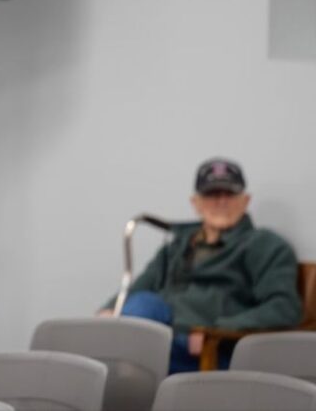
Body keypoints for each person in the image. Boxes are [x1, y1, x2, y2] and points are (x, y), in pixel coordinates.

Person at [103, 157, 302, 373]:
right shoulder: (178, 245)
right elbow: (142, 285)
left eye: (229, 194)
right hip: (161, 336)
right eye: (212, 194)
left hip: (210, 350)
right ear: (195, 203)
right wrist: (111, 310)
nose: (221, 202)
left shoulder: (264, 244)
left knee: (124, 361)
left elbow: (284, 307)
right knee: (142, 305)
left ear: (245, 200)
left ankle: (117, 369)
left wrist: (216, 330)